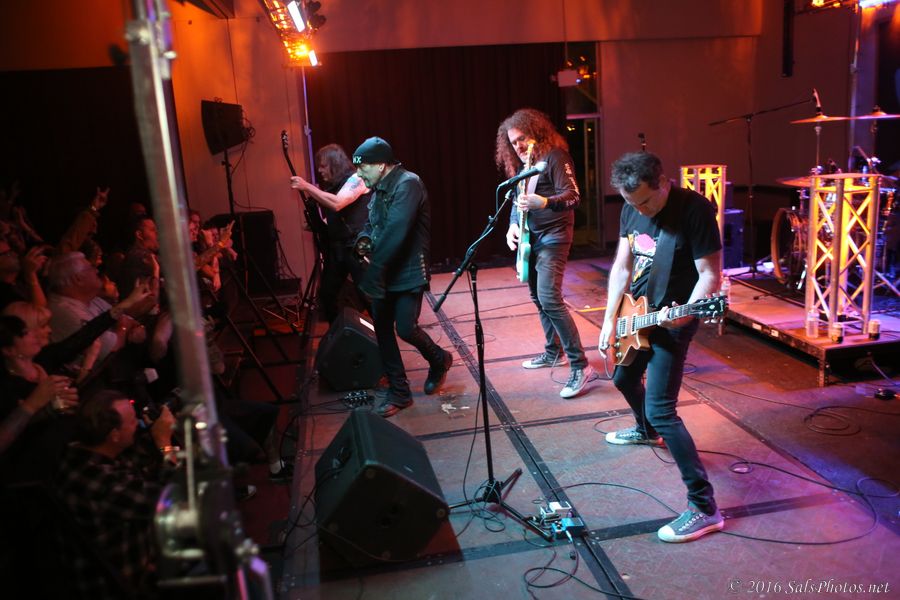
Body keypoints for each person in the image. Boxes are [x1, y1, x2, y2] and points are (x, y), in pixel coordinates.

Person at [599, 151, 723, 543]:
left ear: (664, 183)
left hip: (673, 318)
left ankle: (705, 507)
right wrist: (609, 319)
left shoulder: (695, 211)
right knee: (622, 379)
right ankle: (645, 430)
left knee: (663, 410)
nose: (639, 210)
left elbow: (710, 275)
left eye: (646, 202)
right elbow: (622, 266)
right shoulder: (631, 207)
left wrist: (684, 315)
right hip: (635, 315)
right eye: (631, 203)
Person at [352, 136, 452, 418]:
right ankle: (400, 392)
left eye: (362, 167)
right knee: (383, 330)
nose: (358, 174)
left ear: (381, 165)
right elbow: (372, 225)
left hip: (408, 272)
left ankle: (439, 359)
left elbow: (396, 231)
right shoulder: (378, 189)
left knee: (406, 329)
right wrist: (363, 240)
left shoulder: (409, 184)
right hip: (385, 270)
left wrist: (373, 273)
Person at [497, 108, 593, 399]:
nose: (518, 146)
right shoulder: (525, 165)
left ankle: (581, 365)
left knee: (550, 298)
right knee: (539, 298)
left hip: (555, 237)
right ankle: (554, 352)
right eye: (513, 142)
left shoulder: (555, 157)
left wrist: (545, 202)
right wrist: (513, 225)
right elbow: (518, 201)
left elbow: (573, 196)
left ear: (536, 133)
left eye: (522, 139)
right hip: (532, 238)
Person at [55, 389, 176, 596]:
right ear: (114, 435)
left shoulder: (88, 453)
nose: (138, 422)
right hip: (123, 587)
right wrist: (164, 443)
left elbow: (138, 462)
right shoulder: (96, 481)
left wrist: (153, 433)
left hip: (143, 567)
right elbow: (171, 500)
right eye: (132, 421)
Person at [291, 143, 371, 323]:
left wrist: (306, 186)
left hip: (358, 246)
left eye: (323, 166)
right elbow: (335, 218)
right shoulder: (334, 187)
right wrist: (317, 223)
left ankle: (385, 334)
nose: (320, 170)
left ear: (335, 163)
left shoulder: (357, 179)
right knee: (327, 295)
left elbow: (337, 203)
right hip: (339, 248)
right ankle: (339, 333)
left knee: (367, 295)